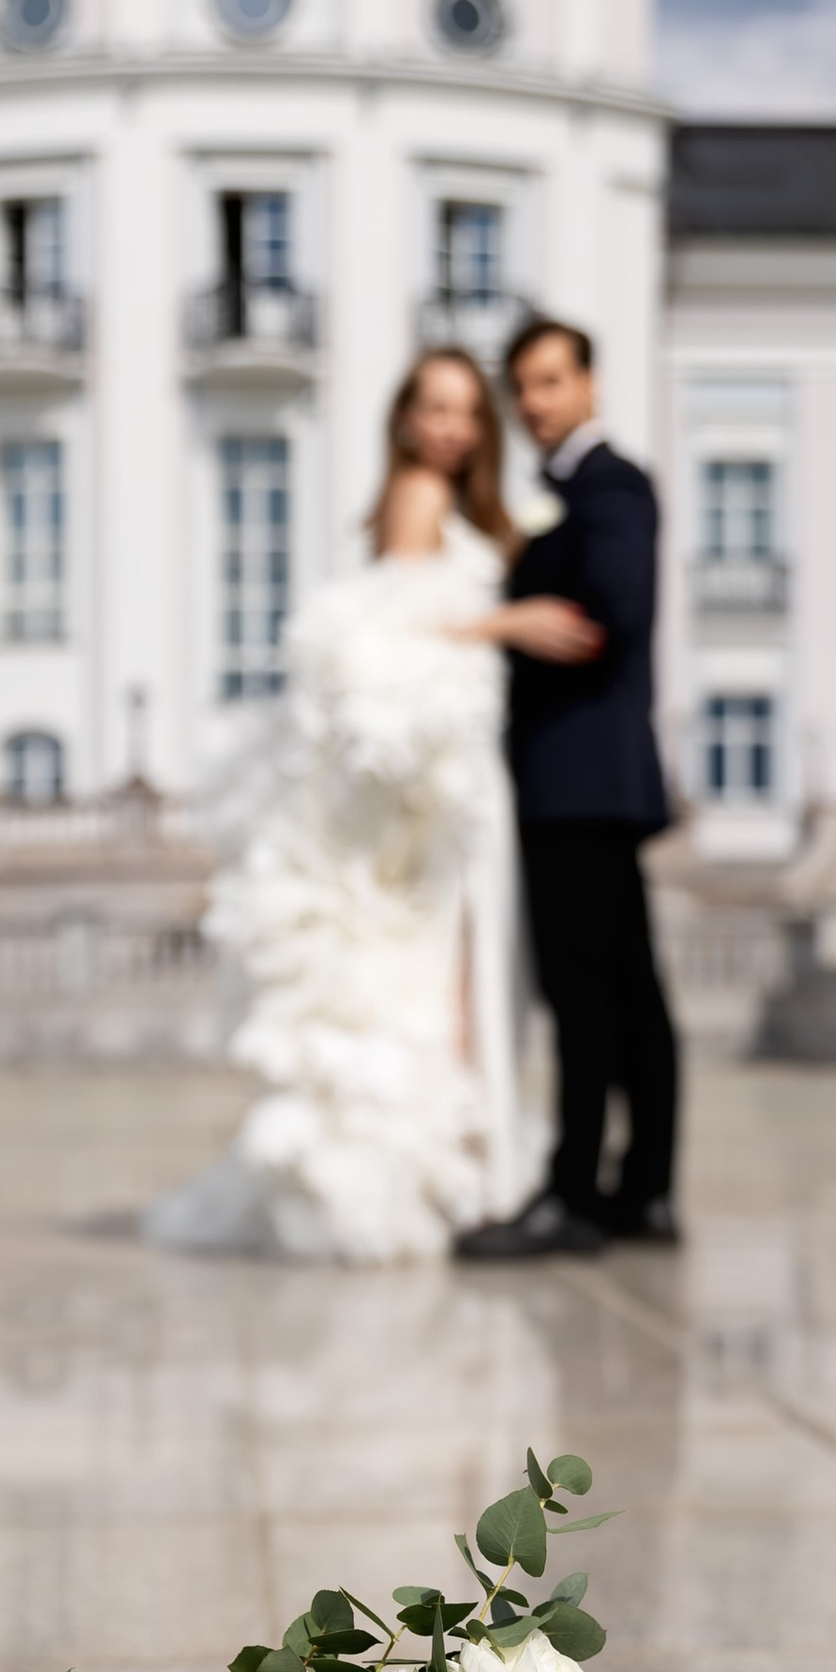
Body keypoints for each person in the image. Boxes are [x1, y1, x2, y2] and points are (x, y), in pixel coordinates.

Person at [143, 349, 570, 1263]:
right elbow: (389, 631)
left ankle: (466, 1164)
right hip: (446, 776)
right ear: (407, 420)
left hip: (464, 764)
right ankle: (463, 1171)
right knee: (456, 967)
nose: (452, 426)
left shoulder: (458, 505)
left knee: (465, 966)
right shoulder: (418, 495)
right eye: (436, 408)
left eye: (465, 411)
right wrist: (512, 620)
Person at [455, 317, 681, 1261]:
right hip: (581, 782)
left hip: (578, 782)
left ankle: (579, 1197)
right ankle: (644, 1193)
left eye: (552, 382)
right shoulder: (568, 494)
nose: (538, 403)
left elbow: (606, 616)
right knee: (629, 993)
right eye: (525, 388)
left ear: (588, 383)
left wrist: (508, 624)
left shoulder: (610, 485)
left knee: (588, 993)